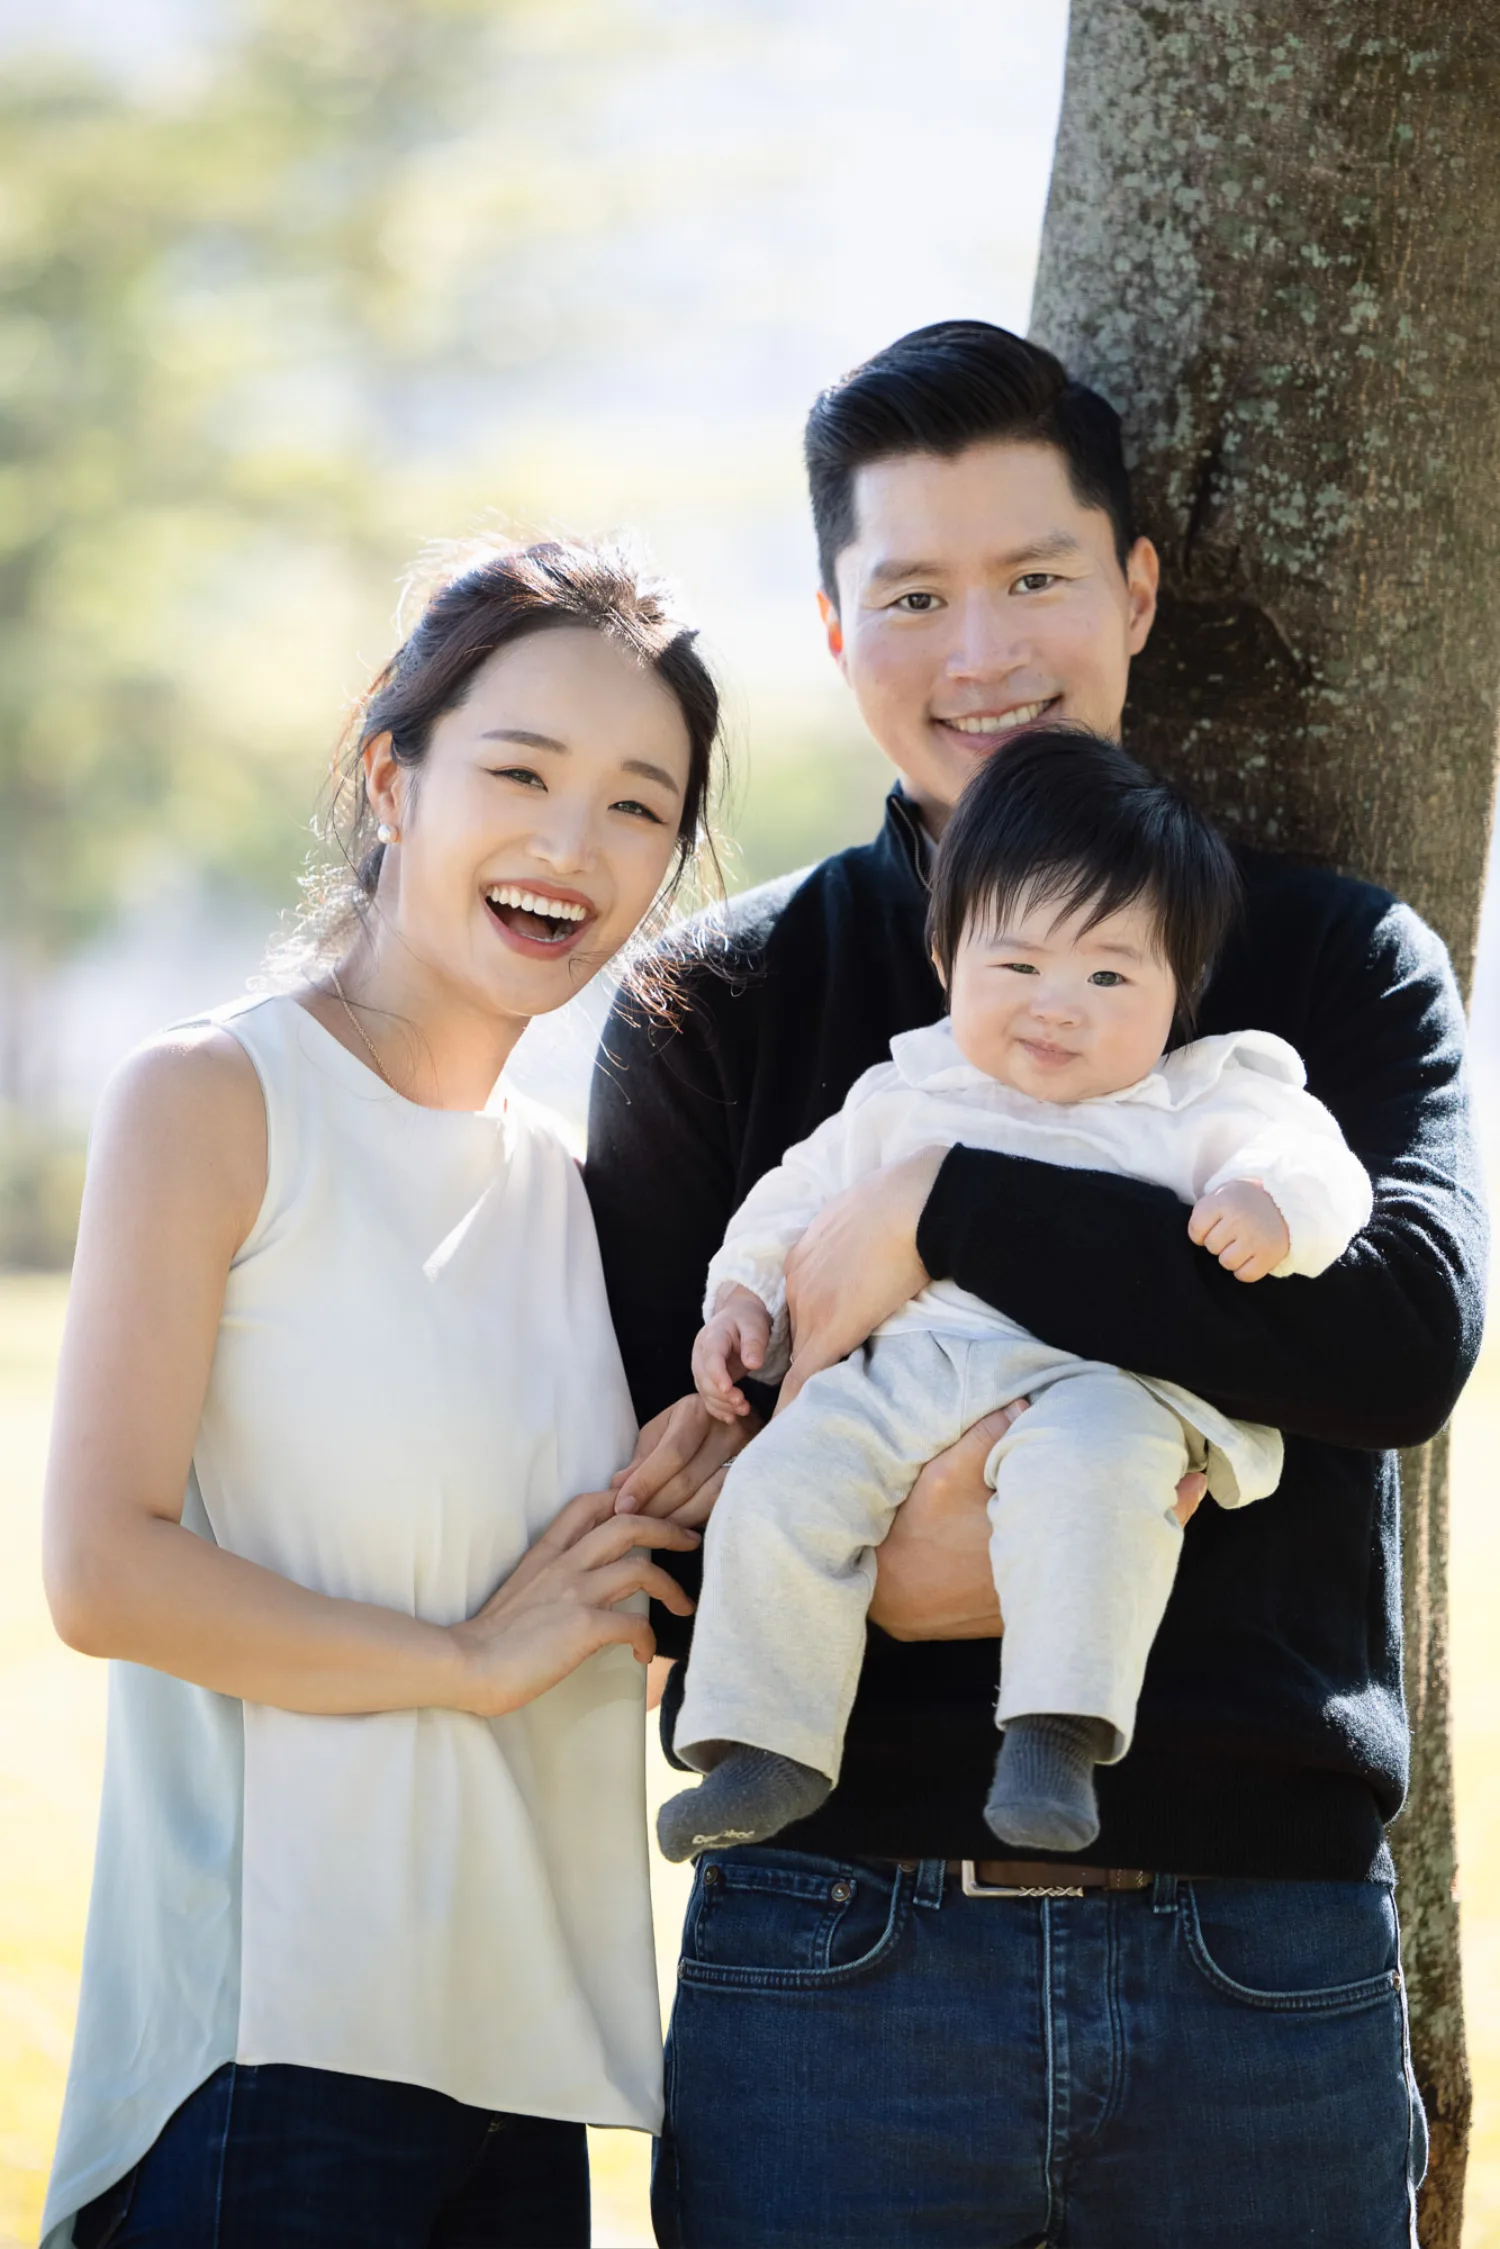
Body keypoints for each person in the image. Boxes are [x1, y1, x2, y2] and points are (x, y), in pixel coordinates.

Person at [585, 323, 1485, 2247]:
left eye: (1036, 577)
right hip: (834, 1942)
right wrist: (897, 1564)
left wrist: (950, 1205)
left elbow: (1402, 1340)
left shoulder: (1330, 958)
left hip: (1263, 1957)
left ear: (1136, 590)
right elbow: (638, 1478)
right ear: (835, 630)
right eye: (912, 591)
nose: (979, 647)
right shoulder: (718, 996)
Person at [40, 537, 723, 2249]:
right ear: (391, 774)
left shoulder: (569, 1190)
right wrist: (466, 1661)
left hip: (519, 2081)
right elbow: (101, 1571)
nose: (575, 844)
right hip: (271, 2068)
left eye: (641, 804)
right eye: (521, 770)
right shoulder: (215, 1097)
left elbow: (587, 1603)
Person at [660, 731, 1372, 1865]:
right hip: (906, 1371)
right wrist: (742, 1294)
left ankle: (1056, 1729)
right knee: (785, 1478)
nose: (1059, 1005)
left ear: (1177, 990)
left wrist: (1270, 1205)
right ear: (946, 959)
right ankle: (764, 1742)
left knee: (1093, 1481)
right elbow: (794, 1199)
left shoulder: (1196, 1102)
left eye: (1109, 972)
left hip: (1098, 1378)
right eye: (1019, 963)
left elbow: (1326, 1166)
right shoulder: (906, 1092)